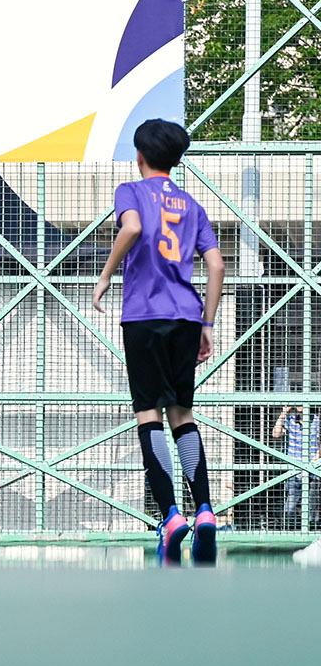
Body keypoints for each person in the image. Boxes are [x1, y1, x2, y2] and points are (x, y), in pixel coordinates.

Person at [91, 119, 225, 564]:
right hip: (186, 317)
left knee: (148, 413)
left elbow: (130, 228)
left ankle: (170, 514)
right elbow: (217, 265)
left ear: (140, 156)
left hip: (145, 317)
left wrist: (106, 276)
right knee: (182, 414)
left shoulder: (130, 191)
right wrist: (207, 324)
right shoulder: (192, 205)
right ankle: (204, 509)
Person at [273, 405, 320, 522]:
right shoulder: (291, 420)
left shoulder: (317, 421)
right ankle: (289, 527)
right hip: (294, 470)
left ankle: (311, 528)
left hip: (313, 469)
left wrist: (311, 465)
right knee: (291, 505)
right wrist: (284, 413)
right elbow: (276, 434)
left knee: (312, 506)